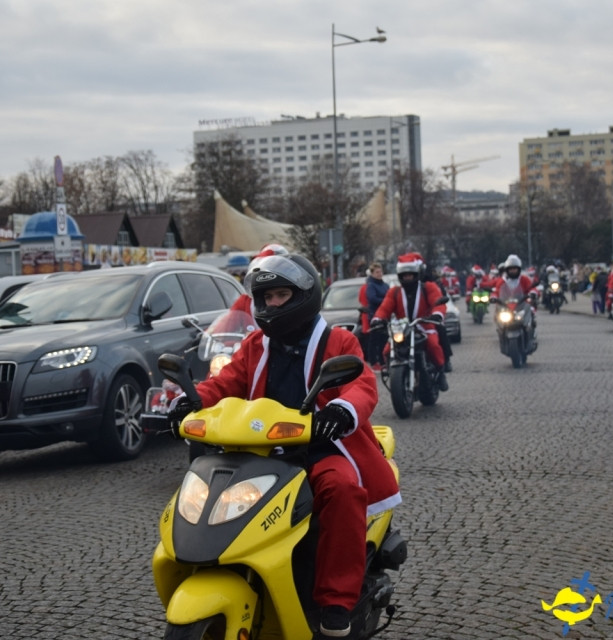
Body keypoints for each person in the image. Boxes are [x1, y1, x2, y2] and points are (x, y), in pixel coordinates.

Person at [169, 252, 400, 638]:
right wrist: (190, 400)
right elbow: (225, 383)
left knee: (341, 488)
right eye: (266, 297)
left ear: (303, 295)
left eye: (281, 294)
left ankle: (335, 603)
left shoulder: (337, 339)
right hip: (262, 451)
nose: (272, 303)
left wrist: (341, 411)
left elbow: (361, 384)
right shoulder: (256, 345)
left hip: (322, 448)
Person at [372, 252, 450, 391]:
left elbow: (438, 302)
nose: (407, 277)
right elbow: (384, 308)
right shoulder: (394, 292)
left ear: (416, 274)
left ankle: (440, 372)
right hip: (403, 328)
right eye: (404, 275)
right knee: (386, 350)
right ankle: (392, 373)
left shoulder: (428, 287)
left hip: (424, 325)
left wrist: (437, 314)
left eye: (410, 275)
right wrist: (377, 319)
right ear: (400, 276)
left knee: (433, 345)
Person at [360, 262, 389, 370]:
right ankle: (373, 361)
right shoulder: (371, 285)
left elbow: (391, 295)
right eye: (377, 272)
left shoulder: (385, 285)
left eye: (380, 271)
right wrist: (385, 301)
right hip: (375, 315)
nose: (379, 274)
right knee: (374, 339)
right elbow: (372, 299)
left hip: (386, 315)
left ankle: (383, 360)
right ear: (372, 273)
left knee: (384, 339)